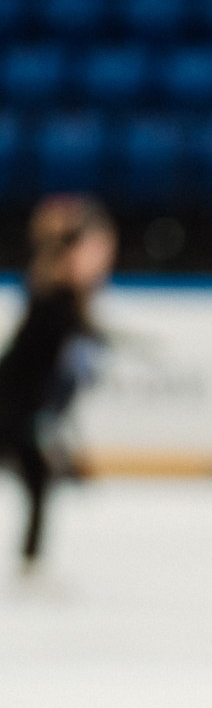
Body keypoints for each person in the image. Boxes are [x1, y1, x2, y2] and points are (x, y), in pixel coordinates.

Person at [0, 193, 116, 576]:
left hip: (22, 405)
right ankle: (31, 563)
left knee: (38, 479)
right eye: (94, 250)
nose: (103, 260)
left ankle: (32, 563)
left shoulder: (67, 300)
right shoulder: (54, 295)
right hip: (11, 404)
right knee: (38, 477)